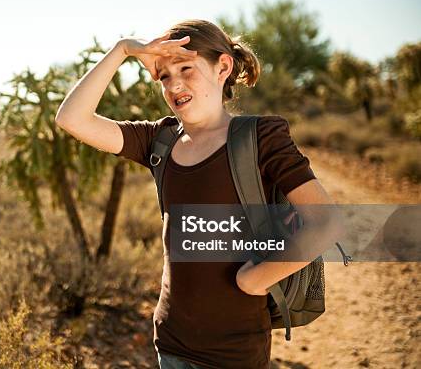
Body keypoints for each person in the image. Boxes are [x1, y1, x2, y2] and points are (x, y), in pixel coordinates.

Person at [55, 19, 340, 369]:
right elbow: (73, 118)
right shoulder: (159, 139)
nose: (174, 84)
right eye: (164, 76)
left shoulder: (261, 138)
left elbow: (324, 222)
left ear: (223, 67)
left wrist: (254, 279)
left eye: (186, 69)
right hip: (171, 345)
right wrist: (123, 49)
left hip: (234, 354)